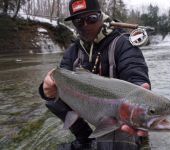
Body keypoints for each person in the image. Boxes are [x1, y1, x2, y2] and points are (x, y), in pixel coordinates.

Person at [39, 0, 151, 149]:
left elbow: (135, 74)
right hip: (92, 108)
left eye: (91, 18)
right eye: (78, 21)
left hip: (119, 115)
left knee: (112, 143)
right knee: (54, 99)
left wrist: (138, 99)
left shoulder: (123, 44)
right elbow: (56, 79)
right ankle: (85, 138)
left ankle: (137, 141)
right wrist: (46, 90)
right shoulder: (73, 52)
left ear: (100, 16)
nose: (85, 25)